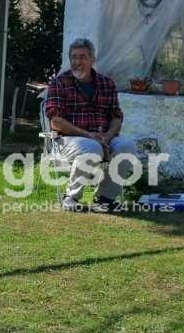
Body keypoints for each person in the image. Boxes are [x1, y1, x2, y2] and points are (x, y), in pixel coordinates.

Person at [44, 38, 137, 212]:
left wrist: (107, 137)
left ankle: (106, 198)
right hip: (68, 139)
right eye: (74, 57)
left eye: (82, 57)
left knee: (127, 145)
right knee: (91, 147)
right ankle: (71, 197)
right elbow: (55, 121)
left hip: (103, 137)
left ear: (93, 60)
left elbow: (116, 117)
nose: (77, 62)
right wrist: (88, 135)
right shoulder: (60, 83)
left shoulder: (106, 83)